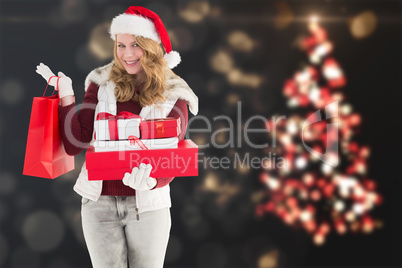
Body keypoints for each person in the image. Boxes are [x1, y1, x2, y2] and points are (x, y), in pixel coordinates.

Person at [35, 6, 198, 268]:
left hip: (147, 207)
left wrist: (152, 181)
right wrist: (66, 95)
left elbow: (173, 153)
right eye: (121, 45)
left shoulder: (174, 92)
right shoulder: (100, 83)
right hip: (98, 204)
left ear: (152, 46)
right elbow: (76, 143)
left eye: (135, 44)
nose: (127, 54)